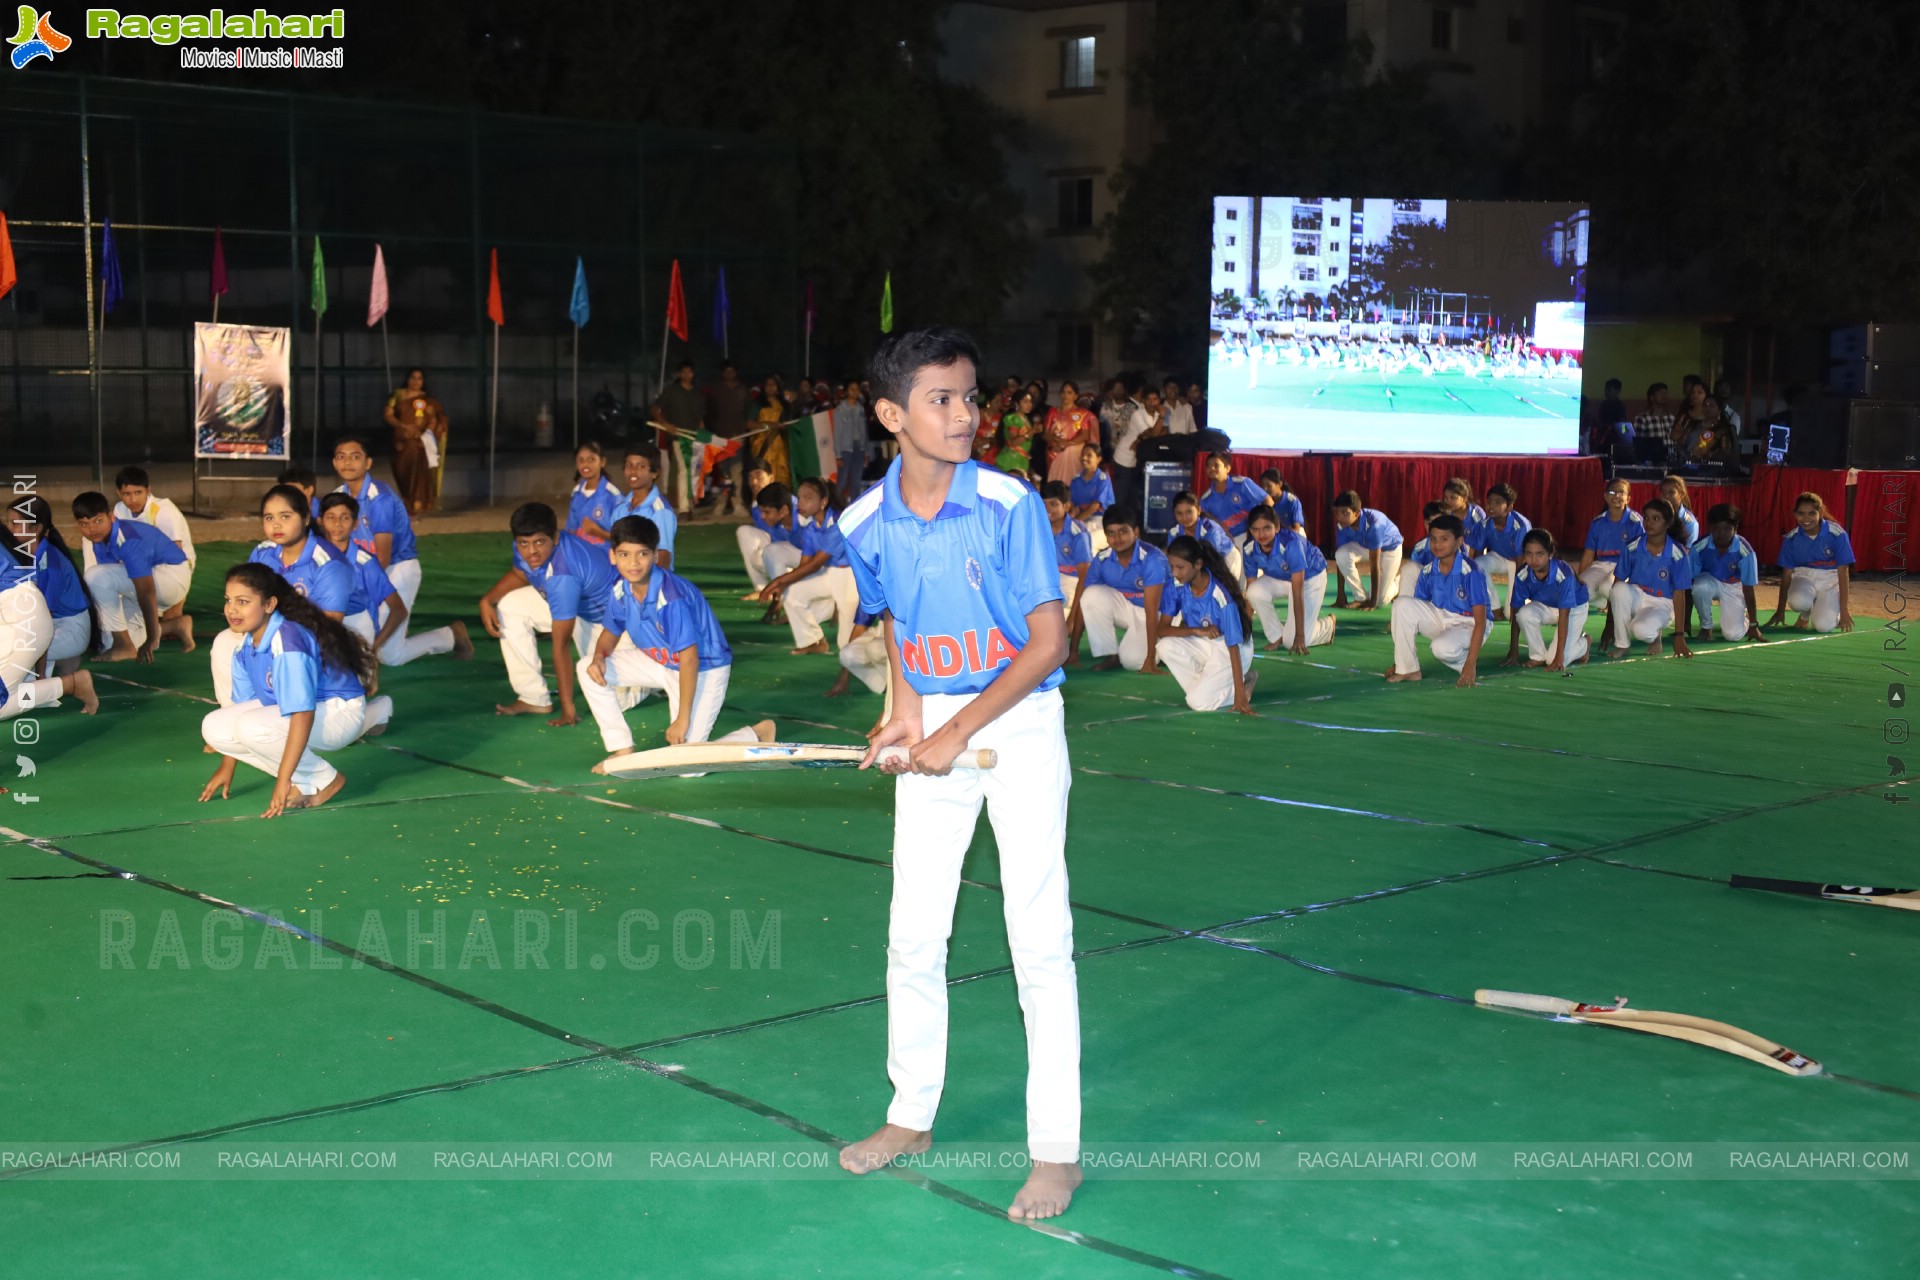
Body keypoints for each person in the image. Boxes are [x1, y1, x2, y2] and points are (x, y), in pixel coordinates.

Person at [835, 326, 1080, 1222]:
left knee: (1038, 938)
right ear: (890, 414)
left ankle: (1056, 1152)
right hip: (938, 720)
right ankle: (910, 1115)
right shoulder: (863, 522)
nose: (965, 415)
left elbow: (1050, 644)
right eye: (941, 399)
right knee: (913, 933)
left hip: (1019, 720)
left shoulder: (1010, 503)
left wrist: (953, 730)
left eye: (970, 397)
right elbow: (897, 619)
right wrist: (908, 710)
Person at [578, 516, 772, 771]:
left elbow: (689, 659)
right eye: (624, 554)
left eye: (642, 554)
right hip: (660, 662)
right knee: (587, 668)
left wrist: (682, 719)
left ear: (656, 556)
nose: (633, 563)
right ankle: (622, 749)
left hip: (702, 669)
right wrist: (599, 658)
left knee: (686, 766)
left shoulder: (670, 597)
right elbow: (611, 632)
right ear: (613, 556)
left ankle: (755, 735)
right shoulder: (621, 589)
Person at [199, 563, 373, 817]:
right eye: (228, 600)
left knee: (252, 727)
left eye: (243, 601)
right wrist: (228, 765)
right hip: (303, 711)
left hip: (338, 712)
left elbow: (303, 714)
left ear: (269, 605)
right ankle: (307, 779)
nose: (231, 609)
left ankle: (324, 779)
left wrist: (283, 780)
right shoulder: (245, 645)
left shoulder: (287, 640)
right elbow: (241, 708)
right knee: (215, 727)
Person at [478, 502, 621, 725]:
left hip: (609, 619)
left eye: (539, 542)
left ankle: (649, 672)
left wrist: (568, 708)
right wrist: (488, 600)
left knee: (619, 699)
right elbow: (520, 573)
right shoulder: (526, 548)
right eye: (524, 543)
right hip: (575, 605)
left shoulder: (563, 575)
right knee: (510, 607)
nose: (531, 551)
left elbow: (560, 645)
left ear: (555, 538)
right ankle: (533, 697)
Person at [318, 492, 471, 668]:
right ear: (319, 521)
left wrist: (371, 648)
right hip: (328, 630)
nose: (337, 524)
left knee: (390, 656)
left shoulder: (365, 564)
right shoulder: (311, 555)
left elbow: (399, 610)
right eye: (330, 517)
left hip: (358, 627)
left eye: (344, 518)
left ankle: (450, 636)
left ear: (355, 524)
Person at [331, 435, 427, 667]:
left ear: (368, 463)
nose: (347, 462)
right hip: (367, 570)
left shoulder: (380, 499)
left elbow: (383, 557)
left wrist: (355, 587)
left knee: (391, 656)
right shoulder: (339, 495)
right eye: (341, 457)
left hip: (397, 567)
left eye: (355, 457)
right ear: (334, 463)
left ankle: (450, 636)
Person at [72, 491, 193, 662]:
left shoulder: (127, 538)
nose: (92, 529)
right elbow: (114, 586)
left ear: (111, 517)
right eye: (84, 524)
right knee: (106, 642)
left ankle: (124, 645)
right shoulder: (98, 540)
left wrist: (152, 639)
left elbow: (146, 590)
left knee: (95, 577)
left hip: (171, 578)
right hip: (145, 580)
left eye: (98, 521)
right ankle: (175, 626)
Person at [86, 467, 195, 633]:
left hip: (169, 569)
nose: (133, 499)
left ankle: (167, 618)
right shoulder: (119, 510)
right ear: (118, 493)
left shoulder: (164, 511)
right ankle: (96, 596)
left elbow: (176, 554)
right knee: (91, 538)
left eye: (138, 492)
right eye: (126, 494)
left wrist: (176, 605)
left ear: (148, 490)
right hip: (139, 564)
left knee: (136, 621)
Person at [1386, 514, 1489, 687]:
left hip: (1470, 622)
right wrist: (1399, 660)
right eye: (1433, 539)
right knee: (1402, 604)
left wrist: (1470, 665)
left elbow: (1481, 622)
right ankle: (1407, 668)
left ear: (1459, 542)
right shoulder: (1428, 571)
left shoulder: (1471, 572)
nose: (1437, 544)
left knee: (1441, 648)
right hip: (1442, 616)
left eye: (1444, 539)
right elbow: (1415, 610)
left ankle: (1467, 663)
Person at [760, 478, 858, 656]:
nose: (800, 503)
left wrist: (777, 582)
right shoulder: (812, 527)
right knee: (793, 593)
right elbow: (804, 565)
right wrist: (782, 585)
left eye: (807, 498)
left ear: (823, 502)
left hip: (852, 578)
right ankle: (814, 641)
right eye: (799, 498)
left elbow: (814, 564)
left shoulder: (838, 521)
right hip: (831, 575)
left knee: (847, 645)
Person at [1157, 535, 1255, 713]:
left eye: (1180, 567)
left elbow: (1233, 645)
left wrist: (1240, 696)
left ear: (1198, 564)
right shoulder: (1176, 586)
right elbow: (1162, 630)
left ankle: (1242, 686)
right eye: (1171, 567)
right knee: (1164, 646)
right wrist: (1197, 630)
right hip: (1203, 641)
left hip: (1232, 648)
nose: (1175, 573)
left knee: (1198, 703)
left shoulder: (1220, 594)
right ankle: (1212, 687)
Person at [1069, 504, 1167, 673]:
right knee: (1090, 595)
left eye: (1123, 531)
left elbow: (1151, 611)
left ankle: (1164, 645)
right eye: (1111, 533)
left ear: (1135, 532)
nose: (1117, 538)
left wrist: (1150, 659)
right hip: (1129, 609)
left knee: (1133, 662)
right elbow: (1084, 603)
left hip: (1159, 614)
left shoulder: (1152, 559)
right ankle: (1111, 655)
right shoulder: (1102, 559)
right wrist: (1073, 651)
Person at [12, 495, 97, 676]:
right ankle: (64, 664)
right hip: (51, 625)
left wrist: (40, 676)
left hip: (68, 629)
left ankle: (76, 681)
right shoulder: (24, 555)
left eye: (16, 524)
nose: (9, 529)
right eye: (8, 523)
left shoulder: (51, 564)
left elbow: (43, 623)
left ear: (36, 529)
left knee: (15, 654)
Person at [1606, 499, 1695, 659]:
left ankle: (1655, 636)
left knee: (1641, 631)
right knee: (1618, 589)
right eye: (1646, 517)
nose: (1649, 522)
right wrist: (1610, 624)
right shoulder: (1633, 546)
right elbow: (1618, 581)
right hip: (1637, 595)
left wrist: (1679, 635)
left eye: (1656, 518)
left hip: (1662, 603)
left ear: (1667, 523)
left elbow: (1680, 594)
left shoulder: (1677, 553)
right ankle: (1622, 644)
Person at [1242, 504, 1334, 653]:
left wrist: (1300, 635)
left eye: (1267, 528)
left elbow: (1297, 592)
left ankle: (1327, 626)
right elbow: (1250, 587)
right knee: (1253, 592)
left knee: (1292, 641)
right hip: (1280, 577)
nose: (1261, 534)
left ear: (1277, 527)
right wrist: (1246, 629)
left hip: (1310, 578)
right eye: (1256, 529)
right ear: (1250, 530)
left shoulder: (1291, 544)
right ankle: (1276, 635)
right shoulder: (1249, 548)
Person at [1501, 529, 1590, 671]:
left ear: (1550, 554)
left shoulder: (1563, 574)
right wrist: (1513, 649)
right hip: (1547, 605)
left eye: (1540, 554)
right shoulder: (1523, 574)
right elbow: (1516, 609)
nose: (1534, 560)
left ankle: (1584, 643)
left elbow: (1564, 615)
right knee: (1524, 614)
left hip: (1574, 608)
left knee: (1554, 660)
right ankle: (1538, 656)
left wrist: (1559, 658)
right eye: (1529, 554)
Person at [1767, 492, 1855, 634]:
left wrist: (1844, 610)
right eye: (1801, 514)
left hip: (1830, 581)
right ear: (1795, 514)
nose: (1806, 519)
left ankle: (1834, 612)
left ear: (1820, 512)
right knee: (1798, 602)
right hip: (1804, 577)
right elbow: (1786, 575)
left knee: (1823, 626)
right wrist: (1780, 610)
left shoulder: (1837, 535)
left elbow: (1843, 573)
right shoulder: (1791, 538)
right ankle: (1805, 614)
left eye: (1812, 513)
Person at [1686, 504, 1766, 643]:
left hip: (1734, 586)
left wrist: (1754, 624)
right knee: (1699, 587)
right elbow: (1689, 584)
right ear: (1710, 528)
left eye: (1727, 529)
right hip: (1710, 582)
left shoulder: (1745, 551)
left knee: (1732, 635)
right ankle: (1706, 626)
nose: (1721, 534)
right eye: (1717, 529)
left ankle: (1745, 619)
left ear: (1735, 528)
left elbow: (1748, 588)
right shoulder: (1699, 547)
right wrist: (1685, 620)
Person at [383, 368, 449, 514]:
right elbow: (388, 415)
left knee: (418, 470)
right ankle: (407, 500)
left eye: (419, 378)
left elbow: (434, 419)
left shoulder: (428, 400)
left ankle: (415, 504)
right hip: (400, 440)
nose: (416, 381)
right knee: (401, 471)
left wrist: (425, 434)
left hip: (420, 441)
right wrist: (403, 426)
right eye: (413, 378)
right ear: (407, 379)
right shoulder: (397, 396)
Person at [609, 443, 677, 572]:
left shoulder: (660, 511)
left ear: (654, 473)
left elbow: (663, 556)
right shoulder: (620, 509)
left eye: (641, 466)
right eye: (629, 465)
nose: (633, 471)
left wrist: (648, 582)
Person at [1575, 478, 1643, 606]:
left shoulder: (1636, 522)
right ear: (1605, 496)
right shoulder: (1598, 523)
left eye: (1621, 493)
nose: (1616, 496)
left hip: (1624, 567)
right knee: (1578, 592)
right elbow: (1588, 554)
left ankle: (1626, 602)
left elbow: (1641, 556)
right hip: (1601, 566)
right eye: (1612, 492)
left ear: (1628, 498)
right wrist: (1579, 580)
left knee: (1607, 588)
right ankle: (1603, 601)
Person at [1331, 491, 1403, 610]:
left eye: (1345, 513)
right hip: (1365, 545)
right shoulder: (1342, 525)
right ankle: (1360, 597)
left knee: (1380, 601)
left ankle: (1399, 582)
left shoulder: (1374, 524)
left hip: (1390, 550)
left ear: (1357, 513)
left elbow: (1374, 565)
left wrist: (1373, 602)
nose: (1339, 517)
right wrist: (1340, 595)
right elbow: (1340, 561)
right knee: (1341, 555)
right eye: (1338, 512)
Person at [651, 360, 707, 512]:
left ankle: (691, 503)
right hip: (678, 436)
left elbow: (700, 419)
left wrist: (703, 435)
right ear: (679, 374)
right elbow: (655, 409)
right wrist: (666, 425)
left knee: (694, 470)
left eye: (690, 372)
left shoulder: (698, 394)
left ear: (693, 374)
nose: (687, 375)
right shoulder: (671, 391)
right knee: (684, 469)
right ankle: (683, 507)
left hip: (695, 437)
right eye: (684, 372)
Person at [1470, 483, 1531, 618]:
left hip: (1521, 563)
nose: (1491, 506)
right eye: (1489, 502)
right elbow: (1478, 553)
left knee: (1512, 615)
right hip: (1499, 557)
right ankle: (1494, 607)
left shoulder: (1521, 525)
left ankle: (1529, 602)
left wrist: (1517, 591)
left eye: (1497, 502)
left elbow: (1522, 558)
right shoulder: (1485, 524)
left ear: (1509, 507)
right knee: (1477, 565)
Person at [733, 460, 790, 597]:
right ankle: (761, 588)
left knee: (761, 558)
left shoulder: (784, 501)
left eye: (759, 476)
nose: (754, 482)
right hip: (776, 548)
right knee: (744, 532)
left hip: (796, 555)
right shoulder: (756, 505)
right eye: (751, 477)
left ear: (771, 477)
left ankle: (783, 587)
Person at [1042, 481, 1092, 615]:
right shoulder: (1039, 528)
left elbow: (1084, 576)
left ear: (1066, 506)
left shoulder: (1077, 534)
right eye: (1044, 504)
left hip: (1071, 582)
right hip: (1048, 579)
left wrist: (1073, 618)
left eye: (1053, 504)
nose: (1047, 509)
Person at [1169, 491, 1241, 579]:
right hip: (1199, 564)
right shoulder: (1174, 533)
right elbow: (1172, 560)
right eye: (1179, 513)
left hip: (1226, 559)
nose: (1184, 518)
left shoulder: (1210, 529)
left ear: (1199, 510)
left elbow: (1211, 559)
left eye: (1189, 512)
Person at [1197, 453, 1267, 540]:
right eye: (1209, 466)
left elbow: (1268, 501)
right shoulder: (1205, 499)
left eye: (1216, 465)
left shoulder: (1242, 483)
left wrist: (1260, 527)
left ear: (1227, 468)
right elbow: (1208, 523)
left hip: (1254, 535)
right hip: (1228, 541)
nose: (1212, 468)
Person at [1043, 382, 1099, 485]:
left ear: (1075, 396)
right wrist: (1056, 440)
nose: (1065, 395)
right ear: (1060, 394)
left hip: (1074, 454)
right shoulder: (1053, 412)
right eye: (1063, 392)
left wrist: (1067, 443)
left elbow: (1085, 435)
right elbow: (1045, 434)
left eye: (1069, 393)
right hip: (1055, 453)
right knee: (1056, 485)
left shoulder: (1082, 414)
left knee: (1073, 484)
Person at [567, 441, 621, 545]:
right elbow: (571, 530)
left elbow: (624, 537)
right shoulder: (576, 493)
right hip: (581, 553)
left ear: (602, 462)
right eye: (581, 460)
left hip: (605, 554)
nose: (585, 464)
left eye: (591, 459)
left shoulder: (613, 496)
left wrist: (598, 532)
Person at [1398, 501, 1449, 600]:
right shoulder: (1420, 548)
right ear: (1426, 524)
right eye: (1431, 523)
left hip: (1451, 597)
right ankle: (1406, 605)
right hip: (1428, 592)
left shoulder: (1455, 544)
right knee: (1409, 568)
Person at [1068, 443, 1114, 551]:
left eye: (1089, 455)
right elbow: (1072, 505)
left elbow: (1094, 507)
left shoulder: (1103, 480)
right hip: (1082, 520)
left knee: (1088, 542)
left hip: (1102, 522)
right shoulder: (1076, 480)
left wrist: (1074, 522)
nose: (1084, 458)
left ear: (1098, 459)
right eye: (1083, 455)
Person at [753, 374, 793, 487]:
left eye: (773, 385)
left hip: (781, 447)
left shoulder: (785, 406)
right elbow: (749, 424)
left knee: (781, 476)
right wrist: (769, 425)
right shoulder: (757, 404)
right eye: (768, 385)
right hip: (762, 445)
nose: (770, 387)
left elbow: (790, 425)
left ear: (778, 387)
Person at [833, 378, 870, 494]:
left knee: (856, 482)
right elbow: (837, 432)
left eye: (857, 389)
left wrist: (866, 452)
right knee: (842, 481)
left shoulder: (860, 408)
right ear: (846, 391)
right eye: (852, 389)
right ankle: (837, 503)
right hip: (846, 449)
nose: (855, 392)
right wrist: (838, 455)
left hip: (859, 448)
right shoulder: (841, 409)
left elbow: (864, 432)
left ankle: (855, 503)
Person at [1633, 383, 1675, 466]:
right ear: (1652, 397)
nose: (1664, 395)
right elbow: (1638, 445)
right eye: (1660, 393)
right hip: (1651, 463)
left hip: (1671, 461)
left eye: (1665, 392)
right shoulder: (1642, 419)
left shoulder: (1672, 418)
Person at [996, 389, 1036, 473]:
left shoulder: (1026, 419)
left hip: (1022, 459)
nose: (1029, 405)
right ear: (1017, 403)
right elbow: (1013, 442)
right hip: (1011, 459)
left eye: (1030, 402)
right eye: (1025, 402)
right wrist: (1031, 432)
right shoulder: (1012, 419)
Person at [1257, 469, 1306, 535]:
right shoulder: (1262, 500)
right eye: (1262, 485)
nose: (1265, 489)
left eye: (1269, 486)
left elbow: (1296, 529)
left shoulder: (1292, 502)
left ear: (1279, 484)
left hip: (1293, 535)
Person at [1660, 476, 1701, 548]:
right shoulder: (1656, 515)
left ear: (1681, 494)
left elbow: (1687, 552)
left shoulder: (1690, 524)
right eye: (1663, 492)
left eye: (1671, 492)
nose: (1666, 496)